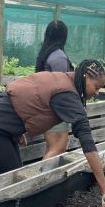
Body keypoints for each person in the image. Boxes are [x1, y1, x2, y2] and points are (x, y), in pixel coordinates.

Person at [0, 59, 105, 207]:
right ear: (85, 77)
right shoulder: (68, 95)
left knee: (16, 181)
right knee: (15, 186)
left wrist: (16, 128)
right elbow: (88, 145)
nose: (97, 92)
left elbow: (26, 96)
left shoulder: (64, 79)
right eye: (96, 87)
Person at [35, 20, 74, 159]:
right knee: (57, 148)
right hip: (56, 110)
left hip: (46, 106)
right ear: (64, 36)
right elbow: (61, 86)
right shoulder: (59, 56)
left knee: (52, 147)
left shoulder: (45, 53)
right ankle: (43, 179)